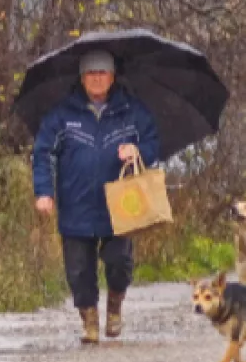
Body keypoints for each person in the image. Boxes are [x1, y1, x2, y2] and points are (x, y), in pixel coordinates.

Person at [31, 50, 162, 344]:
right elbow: (42, 154)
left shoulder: (132, 112)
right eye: (91, 74)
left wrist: (138, 151)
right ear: (82, 78)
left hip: (121, 205)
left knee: (119, 261)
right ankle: (89, 319)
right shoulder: (62, 115)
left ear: (112, 77)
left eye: (102, 73)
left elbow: (153, 141)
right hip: (75, 204)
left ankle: (115, 305)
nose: (97, 79)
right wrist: (43, 192)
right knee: (79, 269)